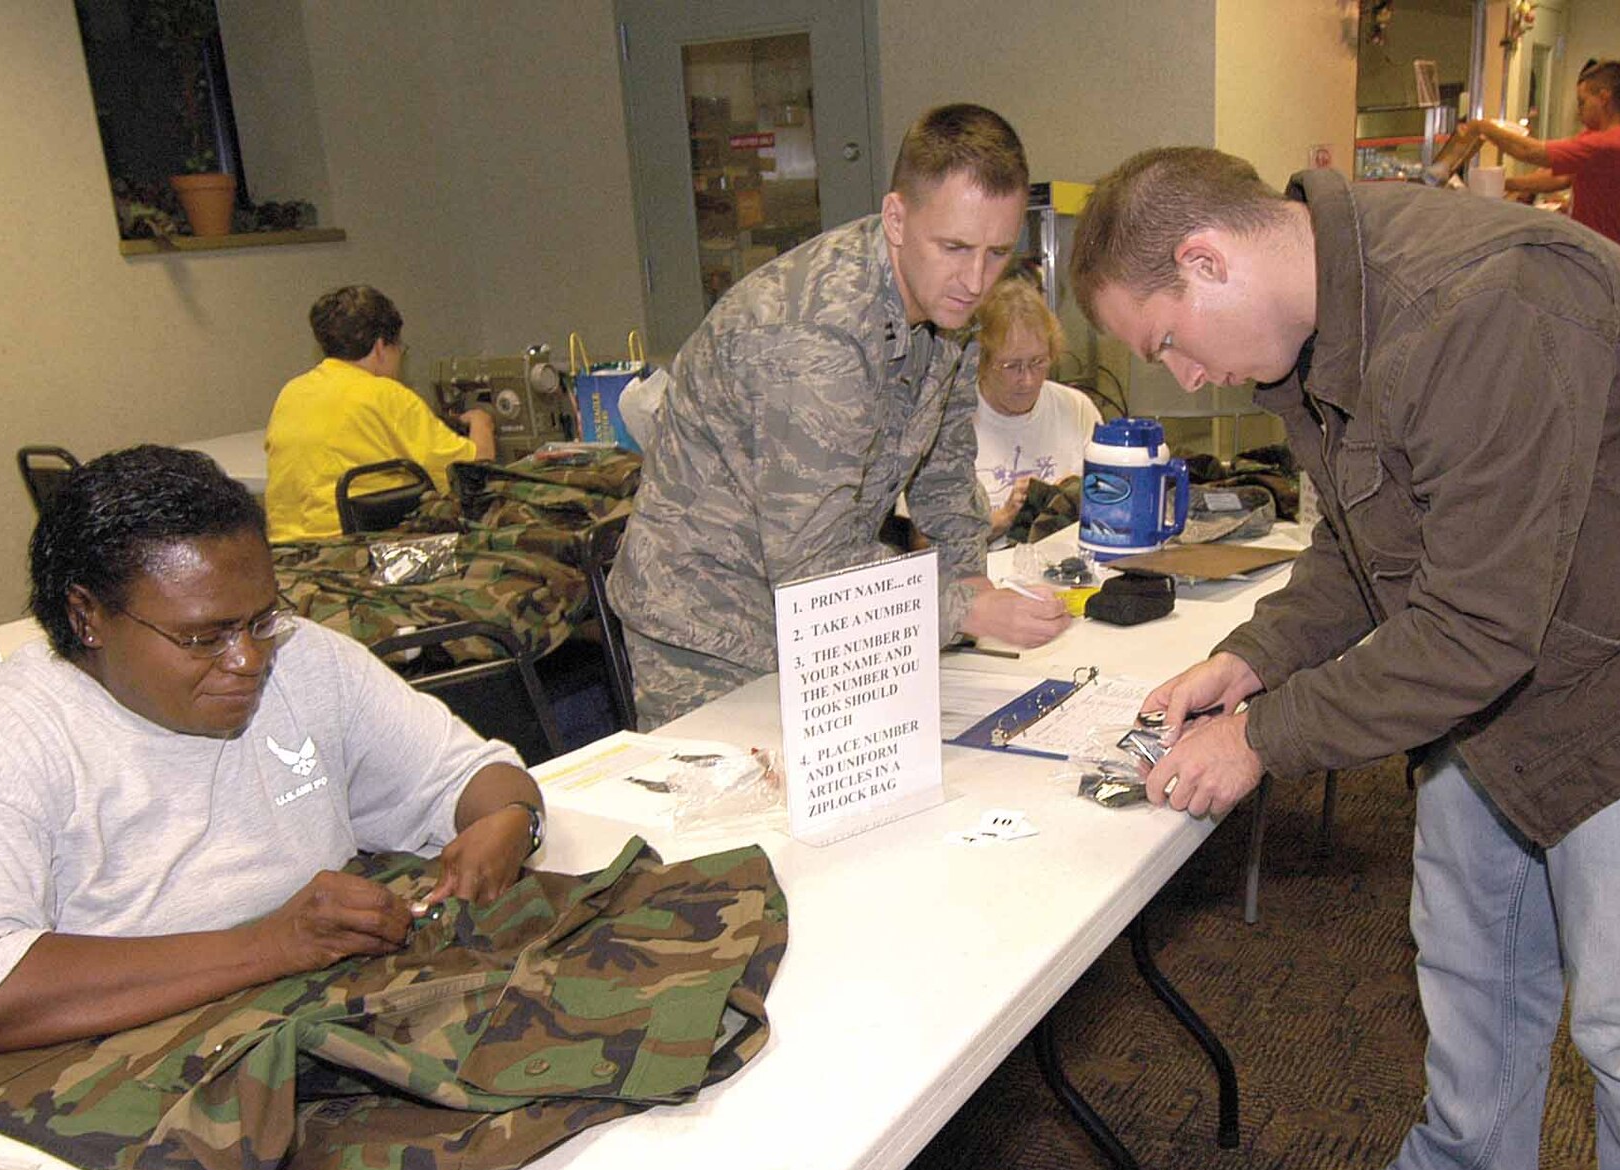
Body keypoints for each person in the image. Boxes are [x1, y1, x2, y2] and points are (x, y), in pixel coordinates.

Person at [1068, 147, 1620, 1170]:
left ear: (1206, 259)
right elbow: (1363, 543)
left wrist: (1262, 735)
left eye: (1168, 338)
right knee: (1468, 952)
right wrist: (1252, 657)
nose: (1184, 370)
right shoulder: (1321, 325)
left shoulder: (1481, 302)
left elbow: (1474, 629)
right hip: (1516, 642)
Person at [0, 446, 543, 1103]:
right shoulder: (8, 732)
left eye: (260, 621)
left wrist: (510, 821)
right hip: (92, 1080)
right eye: (203, 637)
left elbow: (477, 774)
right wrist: (271, 944)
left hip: (277, 1034)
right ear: (88, 619)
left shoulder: (306, 665)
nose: (247, 658)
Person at [608, 104, 1072, 728]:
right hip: (706, 627)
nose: (974, 279)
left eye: (996, 253)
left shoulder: (947, 308)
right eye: (955, 247)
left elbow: (944, 467)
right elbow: (812, 563)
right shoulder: (815, 338)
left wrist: (971, 577)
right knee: (737, 819)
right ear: (897, 219)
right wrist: (961, 609)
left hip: (818, 616)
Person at [264, 285, 496, 542]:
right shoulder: (387, 395)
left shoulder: (292, 392)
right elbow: (472, 473)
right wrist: (481, 422)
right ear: (379, 347)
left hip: (288, 552)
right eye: (399, 349)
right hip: (356, 551)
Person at [967, 275, 1103, 543]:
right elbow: (920, 544)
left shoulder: (1077, 409)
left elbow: (1115, 507)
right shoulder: (952, 421)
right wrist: (1002, 519)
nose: (1028, 380)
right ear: (982, 362)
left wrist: (1072, 496)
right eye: (1011, 366)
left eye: (1038, 362)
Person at [1466, 60, 1620, 250]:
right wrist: (1503, 184)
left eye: (1582, 102)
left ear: (1603, 98)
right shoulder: (1616, 138)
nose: (1579, 111)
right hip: (1603, 245)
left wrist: (1483, 127)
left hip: (1602, 251)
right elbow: (1559, 178)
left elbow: (1531, 152)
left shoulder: (1608, 144)